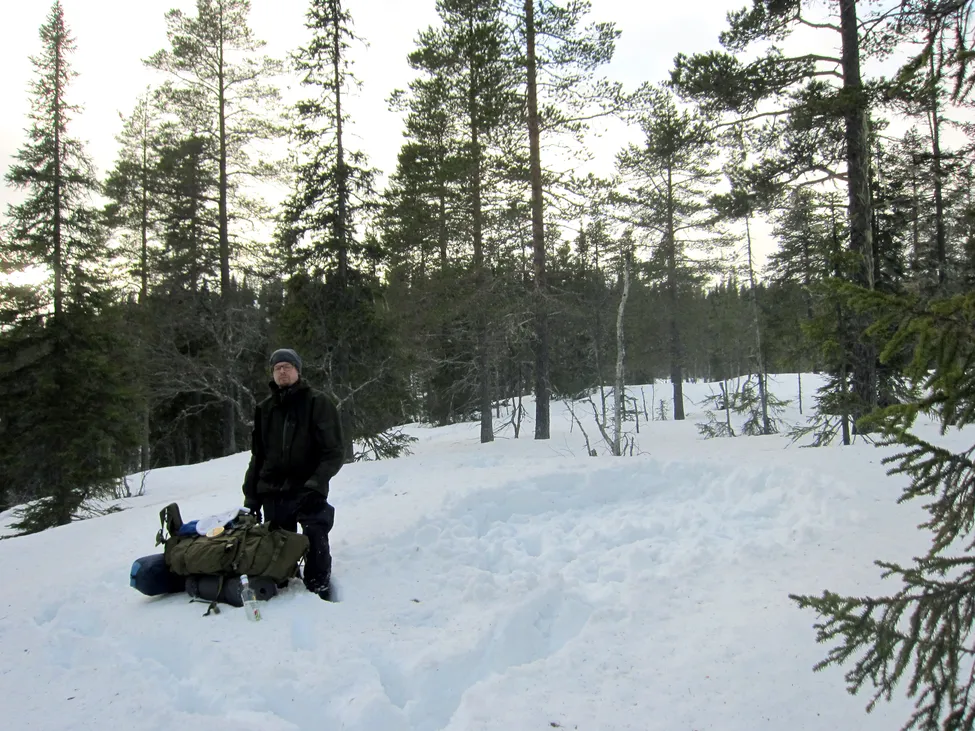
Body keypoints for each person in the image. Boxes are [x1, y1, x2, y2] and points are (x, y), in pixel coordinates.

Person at [242, 348, 344, 600]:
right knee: (277, 544)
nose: (282, 371)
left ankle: (319, 587)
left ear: (298, 370)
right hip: (273, 489)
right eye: (277, 368)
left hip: (308, 486)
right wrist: (251, 496)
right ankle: (284, 584)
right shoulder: (265, 409)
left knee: (315, 534)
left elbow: (334, 452)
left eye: (287, 366)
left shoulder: (318, 403)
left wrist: (315, 483)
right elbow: (258, 456)